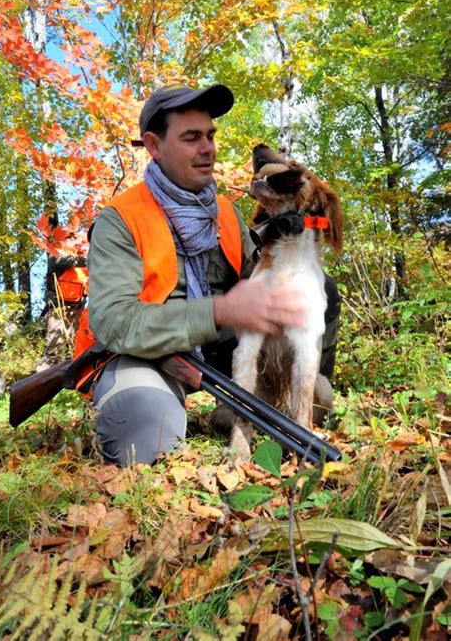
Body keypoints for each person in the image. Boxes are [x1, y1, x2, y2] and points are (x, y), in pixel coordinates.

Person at [87, 83, 337, 466]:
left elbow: (257, 281)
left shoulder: (224, 211)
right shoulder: (120, 220)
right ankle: (152, 402)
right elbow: (112, 322)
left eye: (210, 136)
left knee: (323, 291)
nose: (208, 148)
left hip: (212, 355)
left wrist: (299, 231)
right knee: (143, 431)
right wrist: (219, 312)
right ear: (154, 146)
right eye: (191, 138)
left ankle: (278, 403)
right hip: (144, 353)